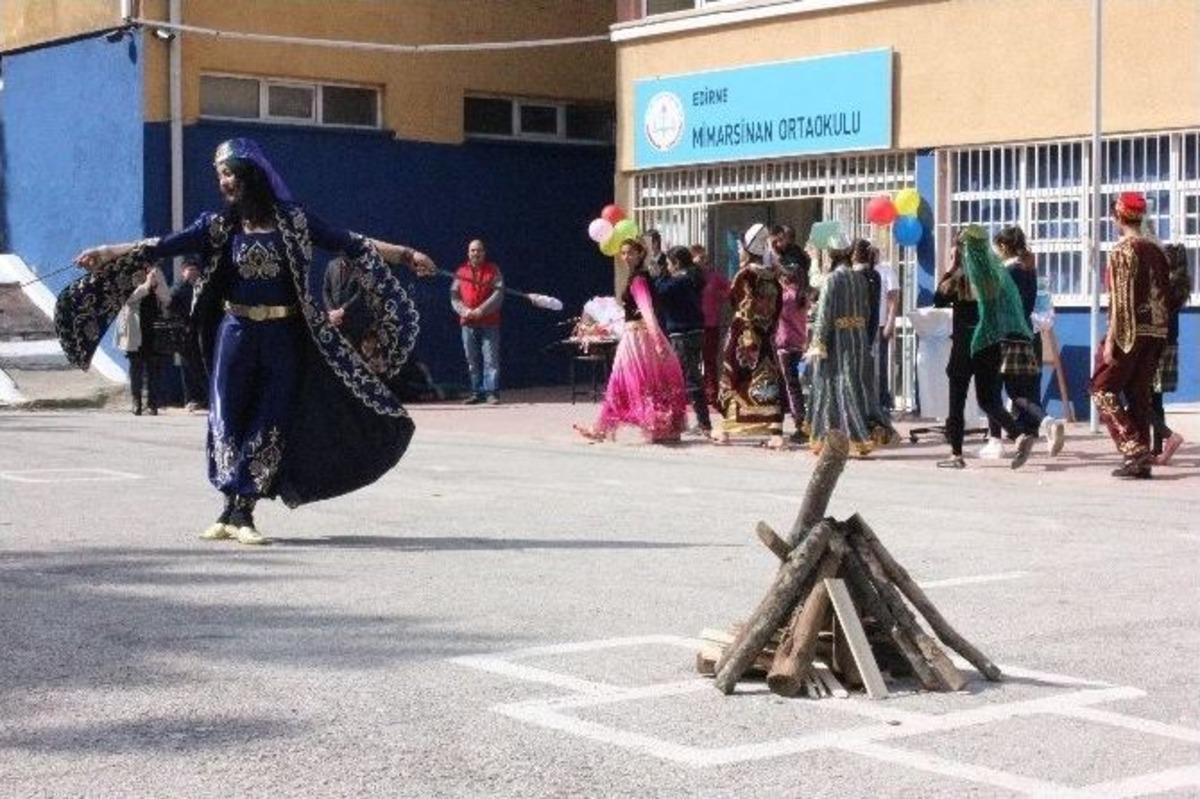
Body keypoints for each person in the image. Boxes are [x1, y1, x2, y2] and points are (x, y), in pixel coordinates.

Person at [63, 137, 436, 544]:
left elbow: (350, 242)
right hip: (235, 334)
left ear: (250, 174)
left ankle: (243, 511)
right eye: (219, 175)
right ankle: (230, 508)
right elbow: (162, 245)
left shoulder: (293, 221)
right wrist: (107, 252)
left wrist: (404, 254)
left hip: (283, 336)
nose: (223, 182)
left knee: (269, 418)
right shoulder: (219, 227)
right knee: (227, 415)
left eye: (228, 173)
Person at [933, 226, 1037, 470]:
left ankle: (956, 454)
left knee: (957, 400)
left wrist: (952, 267)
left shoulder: (960, 277)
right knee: (989, 400)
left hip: (964, 346)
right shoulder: (996, 275)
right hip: (990, 345)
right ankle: (1019, 435)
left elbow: (938, 299)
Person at [1089, 193, 1171, 478]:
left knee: (1101, 389)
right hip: (1156, 331)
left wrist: (1110, 340)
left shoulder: (1123, 250)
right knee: (1138, 394)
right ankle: (1141, 463)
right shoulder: (1157, 251)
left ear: (1118, 217)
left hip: (1129, 331)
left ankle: (1134, 449)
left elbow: (1120, 300)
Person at [574, 239, 687, 443]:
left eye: (630, 253)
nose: (626, 257)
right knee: (642, 381)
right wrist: (605, 326)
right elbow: (632, 313)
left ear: (640, 254)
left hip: (638, 339)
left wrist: (657, 341)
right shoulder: (640, 277)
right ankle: (657, 427)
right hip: (639, 334)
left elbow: (646, 310)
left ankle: (607, 428)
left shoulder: (638, 279)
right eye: (623, 253)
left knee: (625, 381)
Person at [980, 226, 1064, 459]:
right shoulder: (1029, 270)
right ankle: (1048, 422)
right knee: (1019, 393)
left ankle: (996, 441)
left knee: (993, 391)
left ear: (1004, 246)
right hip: (1025, 335)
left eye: (997, 247)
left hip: (1003, 337)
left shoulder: (1006, 272)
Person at [713, 224, 784, 448]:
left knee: (734, 376)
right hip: (766, 334)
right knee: (768, 377)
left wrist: (747, 329)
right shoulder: (773, 277)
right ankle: (775, 431)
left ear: (747, 249)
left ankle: (726, 429)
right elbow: (778, 306)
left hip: (743, 334)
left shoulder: (745, 275)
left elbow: (737, 302)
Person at [805, 237, 878, 456]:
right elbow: (866, 311)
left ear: (832, 254)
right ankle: (857, 436)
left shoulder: (833, 279)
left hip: (837, 341)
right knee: (855, 386)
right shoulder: (859, 278)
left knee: (835, 389)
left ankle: (844, 438)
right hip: (858, 339)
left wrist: (818, 343)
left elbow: (825, 313)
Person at [654, 246, 712, 434]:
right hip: (695, 331)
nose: (668, 267)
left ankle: (703, 423)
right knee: (691, 374)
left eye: (669, 264)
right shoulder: (693, 277)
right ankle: (700, 421)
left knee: (690, 377)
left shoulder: (679, 281)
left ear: (677, 263)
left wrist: (661, 273)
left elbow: (659, 290)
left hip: (683, 334)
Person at [848, 240, 899, 446]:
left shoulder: (878, 273)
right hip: (867, 327)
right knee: (869, 372)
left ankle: (880, 408)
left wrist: (889, 323)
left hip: (873, 327)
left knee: (876, 371)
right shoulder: (868, 275)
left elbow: (891, 300)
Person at [450, 240, 503, 405]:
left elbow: (499, 293)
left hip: (489, 322)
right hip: (468, 322)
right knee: (472, 360)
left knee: (490, 359)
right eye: (472, 250)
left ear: (484, 252)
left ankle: (491, 393)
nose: (476, 253)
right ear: (468, 253)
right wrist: (464, 311)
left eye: (479, 250)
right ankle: (476, 392)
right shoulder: (460, 271)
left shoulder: (493, 270)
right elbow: (454, 296)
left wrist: (481, 310)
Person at [1151, 243, 1190, 464]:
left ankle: (1161, 442)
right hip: (1169, 345)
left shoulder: (1166, 285)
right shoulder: (1180, 285)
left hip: (1158, 345)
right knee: (1156, 398)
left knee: (1144, 397)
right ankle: (1157, 447)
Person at [116, 265, 170, 416]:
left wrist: (156, 286)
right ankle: (136, 402)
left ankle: (152, 404)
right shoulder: (127, 271)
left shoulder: (156, 272)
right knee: (136, 366)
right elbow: (128, 298)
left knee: (154, 366)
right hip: (134, 326)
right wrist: (146, 285)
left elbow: (167, 298)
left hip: (153, 325)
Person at [774, 250, 810, 442]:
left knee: (790, 385)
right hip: (798, 344)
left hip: (785, 345)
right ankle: (787, 421)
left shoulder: (786, 297)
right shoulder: (802, 296)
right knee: (792, 383)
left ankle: (800, 423)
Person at [169, 258, 208, 412]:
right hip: (185, 333)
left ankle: (207, 398)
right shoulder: (178, 288)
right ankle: (192, 398)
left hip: (203, 332)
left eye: (195, 270)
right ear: (183, 272)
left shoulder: (204, 286)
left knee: (204, 366)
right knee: (188, 366)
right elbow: (171, 304)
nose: (192, 273)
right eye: (189, 270)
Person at [695, 243, 730, 409]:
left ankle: (712, 394)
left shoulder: (714, 277)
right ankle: (695, 393)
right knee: (692, 362)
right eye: (698, 258)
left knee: (709, 361)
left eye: (703, 258)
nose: (701, 261)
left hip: (711, 324)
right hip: (693, 324)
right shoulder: (690, 278)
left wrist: (719, 298)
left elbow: (730, 289)